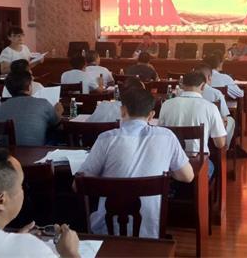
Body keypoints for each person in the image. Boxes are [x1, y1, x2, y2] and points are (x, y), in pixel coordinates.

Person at [77, 88, 194, 238]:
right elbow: (188, 176)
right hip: (152, 232)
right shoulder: (167, 136)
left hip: (108, 233)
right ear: (151, 115)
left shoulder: (106, 138)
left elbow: (78, 185)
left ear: (122, 111)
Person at [159, 71, 227, 178]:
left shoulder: (166, 104)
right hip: (198, 163)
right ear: (203, 86)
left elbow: (161, 133)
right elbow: (220, 143)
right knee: (210, 167)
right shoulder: (210, 107)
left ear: (182, 85)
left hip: (170, 163)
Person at [0, 72, 63, 146]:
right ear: (29, 87)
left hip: (8, 151)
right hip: (36, 150)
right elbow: (58, 125)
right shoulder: (43, 103)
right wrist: (58, 113)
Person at [194, 63, 235, 146]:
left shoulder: (181, 93)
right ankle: (224, 148)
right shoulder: (216, 93)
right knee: (230, 120)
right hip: (213, 134)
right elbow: (224, 118)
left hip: (191, 131)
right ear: (209, 78)